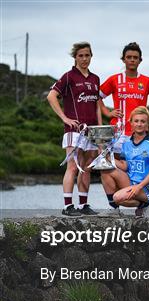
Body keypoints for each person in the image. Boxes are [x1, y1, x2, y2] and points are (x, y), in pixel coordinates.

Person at [98, 42, 149, 214]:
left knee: (139, 167)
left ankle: (144, 200)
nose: (132, 60)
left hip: (137, 134)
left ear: (140, 60)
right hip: (118, 135)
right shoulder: (115, 79)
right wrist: (107, 112)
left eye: (135, 57)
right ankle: (114, 209)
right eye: (129, 57)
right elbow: (98, 96)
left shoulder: (146, 81)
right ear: (124, 59)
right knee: (108, 168)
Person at [47, 41, 101, 216]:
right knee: (72, 167)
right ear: (75, 57)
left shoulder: (95, 79)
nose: (84, 59)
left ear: (91, 56)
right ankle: (68, 206)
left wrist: (100, 130)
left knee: (87, 168)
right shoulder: (69, 76)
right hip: (74, 131)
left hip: (92, 130)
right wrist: (64, 118)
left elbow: (97, 106)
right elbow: (51, 96)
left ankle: (83, 205)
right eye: (81, 56)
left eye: (87, 55)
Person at [100, 106, 149, 217]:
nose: (139, 124)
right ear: (131, 123)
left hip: (148, 188)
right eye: (136, 121)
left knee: (117, 197)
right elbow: (124, 166)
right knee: (106, 170)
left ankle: (148, 202)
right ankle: (117, 208)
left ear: (147, 124)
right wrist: (108, 157)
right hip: (131, 182)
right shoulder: (127, 143)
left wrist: (138, 187)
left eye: (143, 121)